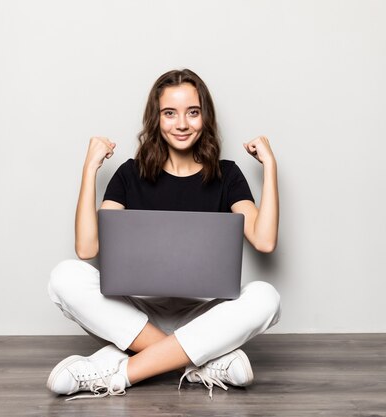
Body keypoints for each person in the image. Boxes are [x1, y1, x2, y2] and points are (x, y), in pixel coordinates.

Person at [46, 69, 281, 400]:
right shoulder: (130, 174)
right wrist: (89, 170)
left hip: (204, 314)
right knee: (64, 276)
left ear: (205, 117)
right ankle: (204, 360)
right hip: (137, 313)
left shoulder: (227, 175)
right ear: (156, 119)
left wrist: (270, 167)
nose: (182, 124)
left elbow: (264, 240)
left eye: (193, 112)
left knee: (266, 297)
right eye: (170, 113)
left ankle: (121, 371)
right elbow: (87, 248)